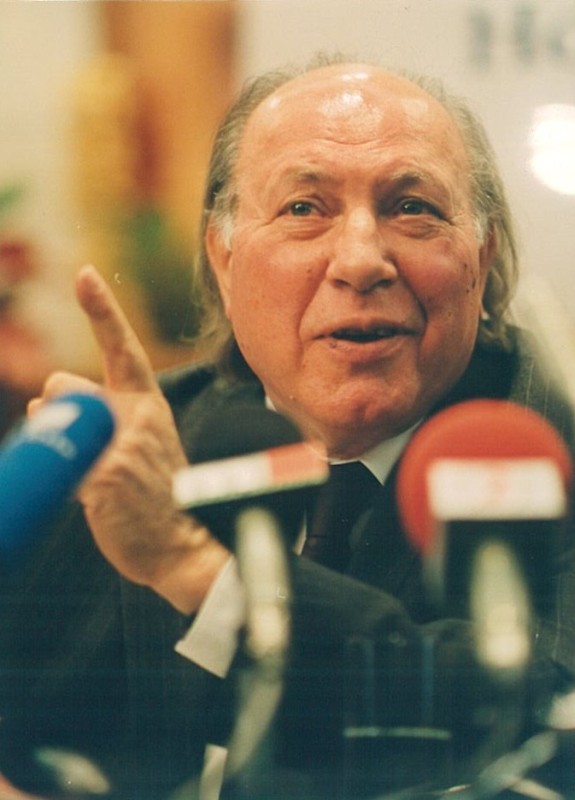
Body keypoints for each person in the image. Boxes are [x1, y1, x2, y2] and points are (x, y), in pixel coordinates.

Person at [1, 53, 575, 799]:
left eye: (413, 207)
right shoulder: (133, 454)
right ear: (223, 257)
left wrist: (195, 570)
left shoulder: (541, 460)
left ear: (482, 254)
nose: (361, 260)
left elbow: (531, 728)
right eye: (304, 209)